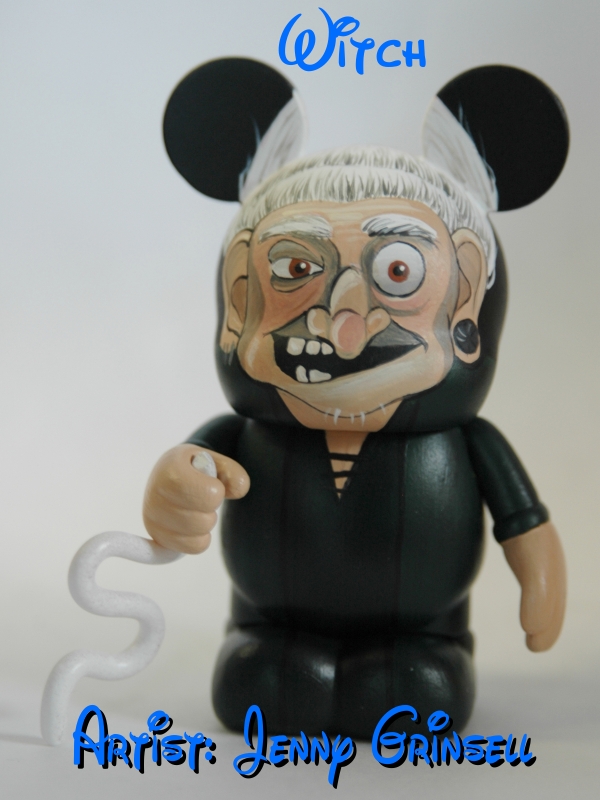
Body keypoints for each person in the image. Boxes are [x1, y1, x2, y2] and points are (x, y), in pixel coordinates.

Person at [143, 60, 568, 738]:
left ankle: (417, 658)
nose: (344, 323)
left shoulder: (463, 440)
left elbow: (523, 521)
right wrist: (174, 489)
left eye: (397, 271)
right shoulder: (244, 433)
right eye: (295, 269)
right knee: (265, 682)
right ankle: (281, 656)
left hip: (421, 633)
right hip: (272, 627)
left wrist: (540, 573)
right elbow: (186, 475)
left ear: (465, 298)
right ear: (238, 305)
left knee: (415, 688)